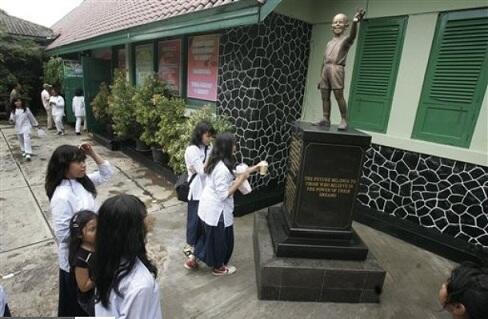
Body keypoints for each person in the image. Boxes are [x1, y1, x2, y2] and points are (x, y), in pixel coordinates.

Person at [45, 143, 113, 316]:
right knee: (80, 304)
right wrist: (90, 232)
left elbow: (107, 173)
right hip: (78, 257)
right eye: (78, 162)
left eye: (83, 161)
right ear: (64, 166)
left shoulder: (81, 182)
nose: (83, 165)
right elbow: (63, 235)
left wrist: (92, 153)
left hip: (93, 247)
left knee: (95, 299)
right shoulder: (61, 196)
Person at [191, 132, 266, 274]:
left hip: (207, 207)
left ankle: (194, 259)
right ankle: (218, 267)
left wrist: (255, 168)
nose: (236, 146)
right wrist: (241, 179)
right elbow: (223, 194)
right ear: (227, 146)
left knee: (206, 236)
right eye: (234, 144)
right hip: (216, 209)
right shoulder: (221, 169)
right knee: (220, 240)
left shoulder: (218, 160)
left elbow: (234, 172)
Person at [94, 195, 162, 319]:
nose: (148, 224)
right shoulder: (140, 284)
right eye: (143, 221)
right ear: (134, 233)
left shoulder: (106, 259)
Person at [315, 9, 365, 130]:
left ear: (345, 25)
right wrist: (320, 77)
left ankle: (344, 119)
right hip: (326, 69)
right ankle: (326, 118)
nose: (337, 24)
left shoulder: (346, 40)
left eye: (340, 22)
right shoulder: (329, 42)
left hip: (337, 69)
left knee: (338, 95)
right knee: (324, 95)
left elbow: (353, 36)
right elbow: (324, 60)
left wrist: (355, 22)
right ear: (332, 26)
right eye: (335, 22)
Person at [182, 121, 215, 263]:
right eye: (208, 136)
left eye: (211, 136)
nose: (209, 139)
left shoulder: (209, 147)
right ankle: (189, 247)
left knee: (204, 221)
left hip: (207, 190)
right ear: (200, 135)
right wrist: (210, 157)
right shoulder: (192, 150)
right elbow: (202, 171)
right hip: (196, 190)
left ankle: (199, 250)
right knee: (194, 220)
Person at [68, 210, 98, 316]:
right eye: (92, 229)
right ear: (80, 235)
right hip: (91, 299)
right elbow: (84, 286)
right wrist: (102, 273)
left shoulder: (97, 245)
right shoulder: (81, 259)